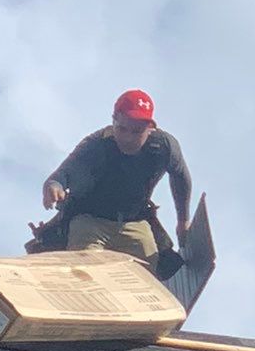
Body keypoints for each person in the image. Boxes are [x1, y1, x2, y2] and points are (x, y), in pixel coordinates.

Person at [36, 89, 192, 263]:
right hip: (90, 221)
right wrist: (53, 187)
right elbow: (61, 174)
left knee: (148, 269)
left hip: (133, 222)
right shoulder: (97, 145)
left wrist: (183, 221)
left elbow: (180, 176)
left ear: (150, 128)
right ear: (113, 121)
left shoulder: (164, 146)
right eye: (122, 129)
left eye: (137, 132)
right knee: (87, 266)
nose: (128, 138)